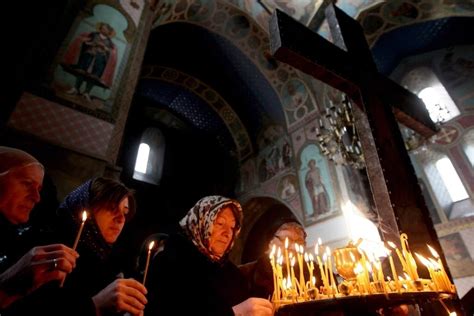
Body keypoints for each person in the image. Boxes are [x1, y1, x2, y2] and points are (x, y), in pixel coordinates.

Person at [146, 195, 274, 316]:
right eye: (220, 224)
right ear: (201, 223)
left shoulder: (233, 274)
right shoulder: (169, 262)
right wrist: (233, 313)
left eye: (233, 227)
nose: (227, 233)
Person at [54, 177, 148, 316]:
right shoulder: (53, 253)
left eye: (125, 212)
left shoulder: (111, 263)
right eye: (112, 208)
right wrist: (96, 305)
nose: (121, 219)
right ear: (86, 206)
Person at [0, 147, 78, 311]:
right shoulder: (32, 242)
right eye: (27, 184)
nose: (36, 198)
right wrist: (8, 285)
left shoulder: (11, 239)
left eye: (39, 190)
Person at [239, 219, 314, 298]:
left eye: (299, 242)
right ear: (270, 242)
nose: (293, 247)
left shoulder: (313, 272)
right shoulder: (244, 274)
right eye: (287, 240)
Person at [61, 22, 117, 101]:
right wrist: (91, 43)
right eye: (102, 28)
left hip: (99, 60)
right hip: (88, 55)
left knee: (93, 76)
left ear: (109, 31)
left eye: (106, 29)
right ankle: (76, 89)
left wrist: (104, 47)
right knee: (81, 72)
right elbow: (84, 41)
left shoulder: (110, 42)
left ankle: (86, 92)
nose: (104, 30)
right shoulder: (93, 35)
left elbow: (111, 53)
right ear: (100, 29)